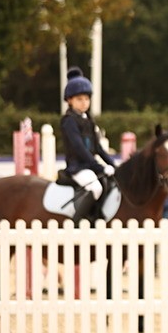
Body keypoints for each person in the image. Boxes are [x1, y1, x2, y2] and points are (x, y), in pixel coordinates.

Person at [59, 67, 116, 223]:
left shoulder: (89, 120)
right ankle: (76, 223)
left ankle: (97, 216)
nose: (84, 103)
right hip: (77, 167)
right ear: (70, 100)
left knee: (111, 183)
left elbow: (98, 148)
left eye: (86, 99)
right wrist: (100, 167)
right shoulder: (69, 121)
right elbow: (79, 149)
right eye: (79, 99)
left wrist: (113, 164)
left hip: (89, 165)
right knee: (95, 188)